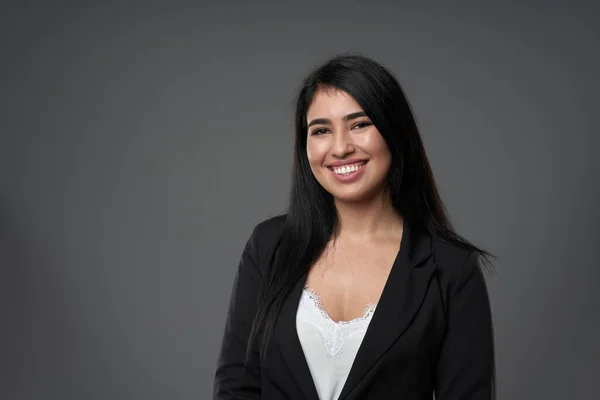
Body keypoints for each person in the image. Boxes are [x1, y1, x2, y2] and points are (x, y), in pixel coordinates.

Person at [213, 53, 496, 400]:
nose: (341, 147)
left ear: (394, 132)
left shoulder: (451, 269)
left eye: (360, 124)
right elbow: (236, 388)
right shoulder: (268, 246)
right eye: (321, 130)